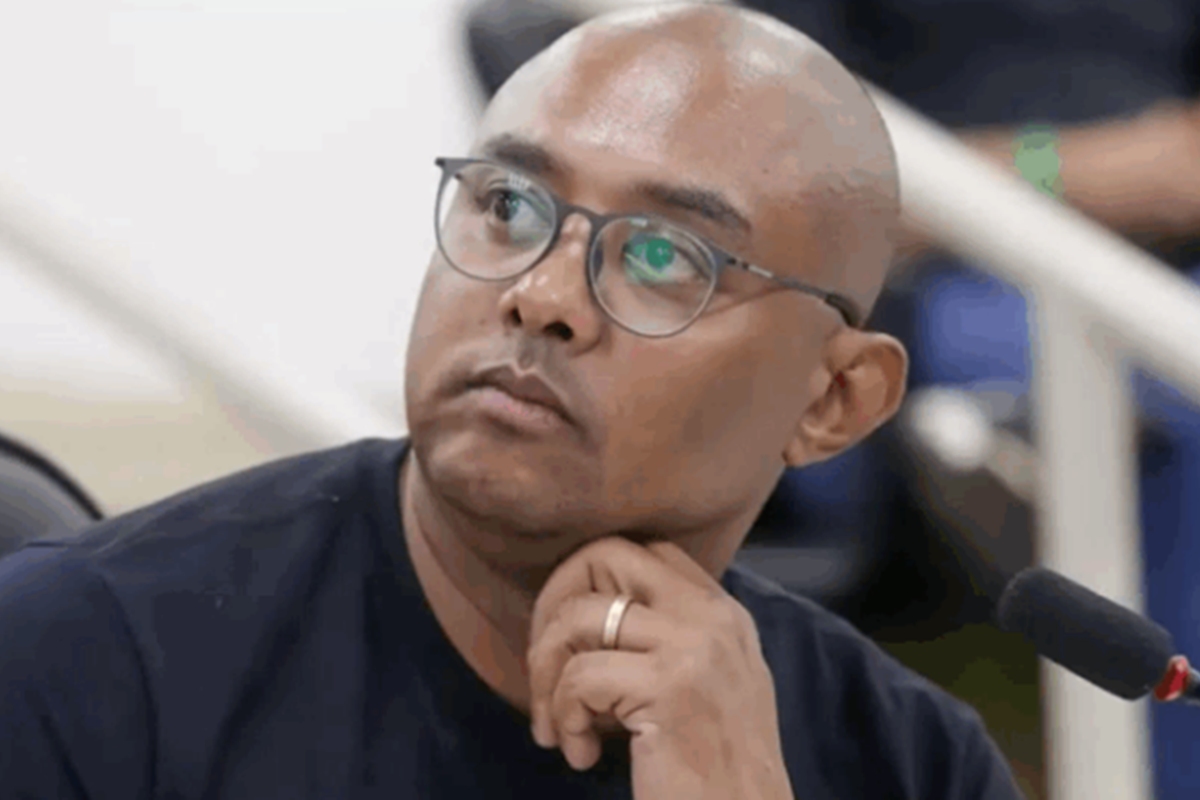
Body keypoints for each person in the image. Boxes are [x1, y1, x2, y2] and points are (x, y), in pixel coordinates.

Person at [0, 5, 1024, 798]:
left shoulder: (911, 760)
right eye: (507, 205)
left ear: (835, 399)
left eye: (662, 256)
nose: (541, 295)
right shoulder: (81, 655)